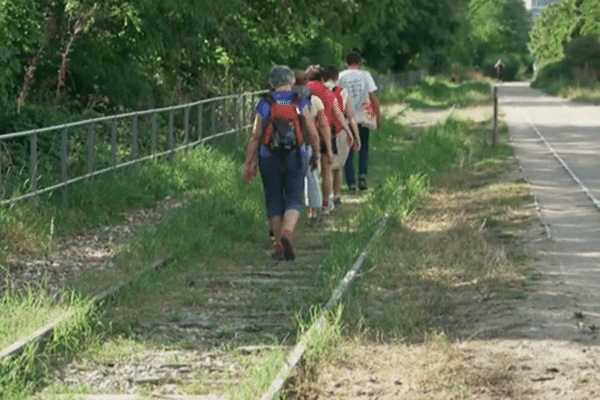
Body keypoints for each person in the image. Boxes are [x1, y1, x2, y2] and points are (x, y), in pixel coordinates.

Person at [242, 65, 321, 261]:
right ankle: (287, 233)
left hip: (269, 155)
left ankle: (278, 246)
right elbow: (312, 132)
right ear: (291, 81)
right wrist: (316, 155)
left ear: (271, 83)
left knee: (274, 198)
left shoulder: (264, 103)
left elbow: (255, 135)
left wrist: (249, 161)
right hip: (297, 153)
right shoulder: (300, 101)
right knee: (294, 195)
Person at [306, 65, 353, 214]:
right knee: (327, 170)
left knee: (311, 172)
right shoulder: (328, 93)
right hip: (326, 133)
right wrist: (349, 132)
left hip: (307, 133)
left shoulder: (304, 90)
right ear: (322, 79)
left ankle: (312, 209)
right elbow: (339, 115)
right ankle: (326, 204)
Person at [339, 51, 381, 192]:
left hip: (347, 117)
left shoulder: (340, 76)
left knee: (348, 150)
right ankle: (362, 177)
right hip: (364, 115)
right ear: (359, 63)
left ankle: (351, 183)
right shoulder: (365, 75)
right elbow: (372, 97)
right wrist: (377, 116)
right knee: (363, 148)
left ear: (346, 63)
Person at [292, 70, 328, 224]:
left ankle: (289, 216)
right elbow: (322, 125)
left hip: (286, 146)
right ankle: (313, 213)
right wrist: (318, 152)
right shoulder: (312, 99)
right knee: (311, 178)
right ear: (306, 81)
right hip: (306, 143)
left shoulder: (282, 99)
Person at [322, 64, 360, 207]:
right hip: (340, 131)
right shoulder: (343, 92)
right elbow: (350, 116)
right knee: (338, 167)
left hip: (323, 131)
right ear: (337, 77)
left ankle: (326, 198)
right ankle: (336, 195)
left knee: (325, 168)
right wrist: (356, 136)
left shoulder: (318, 91)